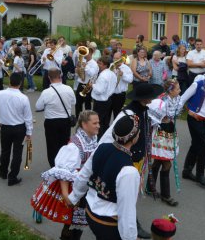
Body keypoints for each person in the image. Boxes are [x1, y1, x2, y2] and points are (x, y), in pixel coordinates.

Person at [69, 83, 164, 239]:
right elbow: (107, 140)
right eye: (151, 96)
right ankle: (132, 224)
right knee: (124, 199)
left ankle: (130, 221)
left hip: (131, 160)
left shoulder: (141, 111)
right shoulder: (126, 116)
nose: (153, 98)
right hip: (124, 164)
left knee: (127, 197)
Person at [31, 110, 99, 240]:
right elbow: (64, 171)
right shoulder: (74, 146)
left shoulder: (92, 138)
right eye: (95, 123)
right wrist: (65, 194)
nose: (98, 125)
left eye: (98, 122)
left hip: (86, 186)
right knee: (71, 223)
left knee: (78, 223)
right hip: (75, 188)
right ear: (84, 125)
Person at [84, 115, 141, 240]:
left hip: (90, 211)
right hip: (106, 222)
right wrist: (130, 237)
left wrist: (74, 196)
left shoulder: (102, 147)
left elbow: (85, 173)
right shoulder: (129, 171)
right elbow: (126, 210)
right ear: (134, 138)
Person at [0, 73, 33, 186]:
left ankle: (3, 172)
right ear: (20, 83)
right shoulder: (23, 98)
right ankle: (12, 177)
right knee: (17, 153)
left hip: (5, 127)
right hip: (19, 128)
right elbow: (28, 118)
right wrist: (29, 132)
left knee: (5, 151)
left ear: (10, 81)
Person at [179, 66, 205, 187]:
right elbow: (182, 98)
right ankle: (200, 174)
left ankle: (187, 171)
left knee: (196, 145)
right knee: (204, 146)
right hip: (194, 119)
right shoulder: (198, 84)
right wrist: (188, 111)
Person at [147, 79, 183, 207]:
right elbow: (152, 117)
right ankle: (166, 195)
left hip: (169, 130)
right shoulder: (161, 103)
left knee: (158, 161)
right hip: (160, 132)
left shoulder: (176, 99)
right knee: (166, 163)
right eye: (177, 89)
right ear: (170, 91)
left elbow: (174, 114)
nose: (179, 91)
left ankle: (150, 186)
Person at [36, 68, 76, 167]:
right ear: (60, 76)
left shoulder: (46, 92)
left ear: (49, 77)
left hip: (51, 122)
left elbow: (38, 106)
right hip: (65, 121)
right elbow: (73, 102)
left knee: (52, 145)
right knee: (64, 144)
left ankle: (54, 166)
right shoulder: (68, 89)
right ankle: (63, 164)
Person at [91, 56, 117, 138]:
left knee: (98, 122)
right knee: (105, 122)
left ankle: (98, 139)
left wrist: (92, 85)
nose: (98, 65)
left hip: (100, 102)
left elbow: (99, 90)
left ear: (105, 65)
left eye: (100, 63)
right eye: (98, 63)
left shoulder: (103, 76)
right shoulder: (112, 73)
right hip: (108, 100)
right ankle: (105, 138)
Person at [75, 47, 98, 117]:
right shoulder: (83, 61)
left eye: (86, 53)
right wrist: (77, 71)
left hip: (88, 86)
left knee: (87, 104)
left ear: (91, 53)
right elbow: (79, 73)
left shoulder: (94, 64)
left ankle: (88, 118)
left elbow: (92, 74)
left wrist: (86, 67)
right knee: (78, 103)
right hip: (81, 83)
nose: (84, 55)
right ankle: (78, 117)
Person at [110, 50, 133, 119]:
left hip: (119, 95)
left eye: (117, 58)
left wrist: (123, 75)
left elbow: (130, 80)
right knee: (107, 113)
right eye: (114, 58)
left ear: (121, 59)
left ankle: (115, 129)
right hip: (110, 93)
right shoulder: (111, 66)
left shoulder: (126, 68)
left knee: (117, 114)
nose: (115, 60)